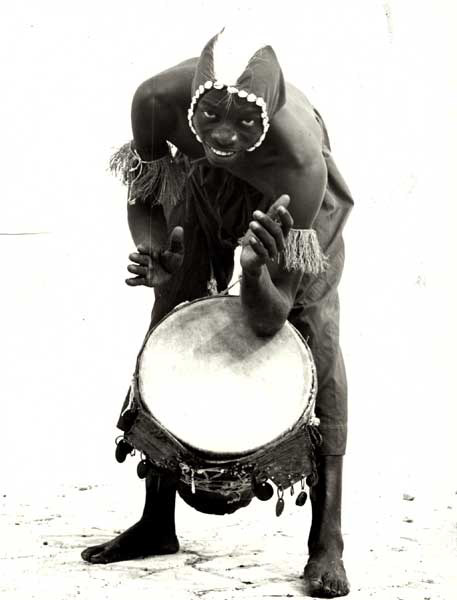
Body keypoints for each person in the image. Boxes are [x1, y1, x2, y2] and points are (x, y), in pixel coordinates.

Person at [82, 29, 353, 598]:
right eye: (209, 119)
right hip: (204, 188)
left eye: (243, 124)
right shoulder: (156, 100)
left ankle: (326, 541)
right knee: (168, 319)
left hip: (289, 210)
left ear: (269, 115)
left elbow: (269, 319)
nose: (224, 135)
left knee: (316, 339)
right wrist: (158, 254)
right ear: (192, 102)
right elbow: (145, 196)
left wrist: (255, 272)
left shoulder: (301, 165)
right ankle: (157, 520)